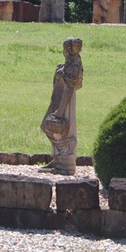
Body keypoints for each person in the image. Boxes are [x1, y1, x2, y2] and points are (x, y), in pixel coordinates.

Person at [39, 37, 83, 175]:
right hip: (58, 99)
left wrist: (59, 112)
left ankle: (66, 160)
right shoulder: (68, 65)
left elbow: (70, 89)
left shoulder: (73, 67)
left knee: (51, 127)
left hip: (65, 103)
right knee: (49, 127)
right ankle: (59, 158)